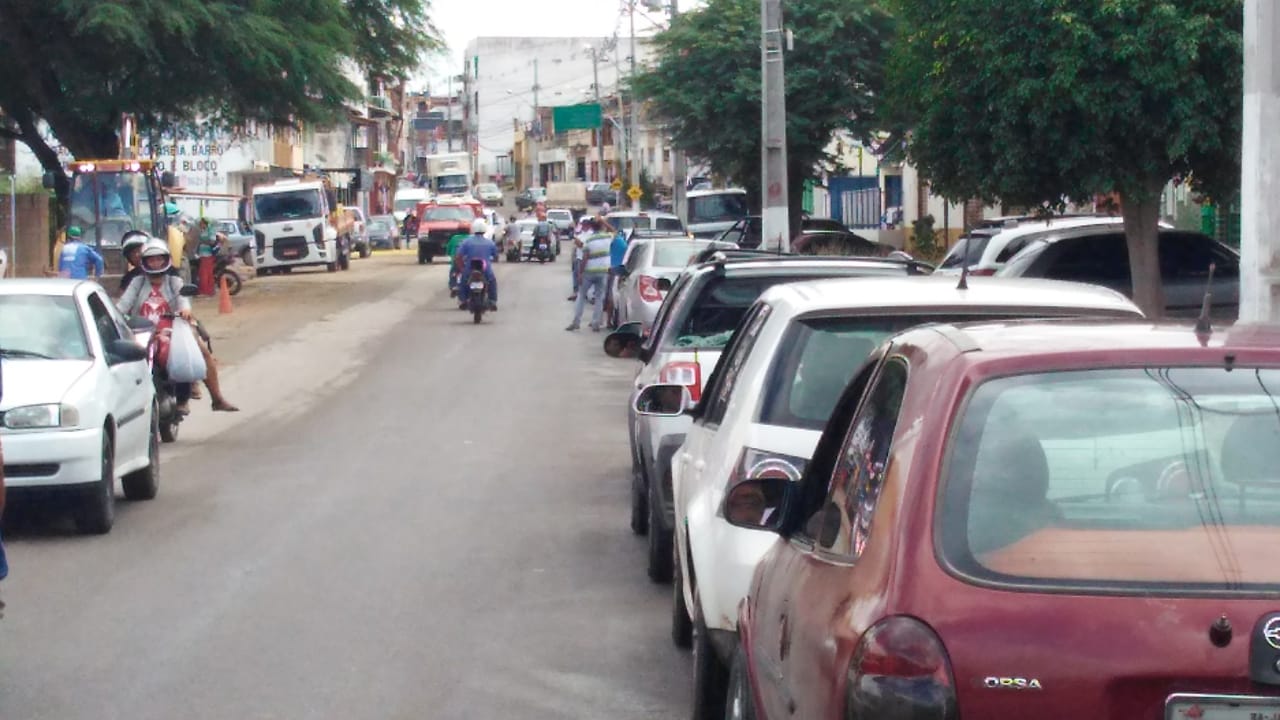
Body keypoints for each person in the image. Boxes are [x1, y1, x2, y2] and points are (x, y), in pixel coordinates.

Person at [566, 218, 613, 332]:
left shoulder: (590, 240)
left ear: (592, 227)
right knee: (599, 298)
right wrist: (603, 221)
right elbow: (613, 230)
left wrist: (580, 273)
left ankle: (576, 322)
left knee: (581, 296)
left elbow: (585, 258)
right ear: (601, 226)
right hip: (603, 271)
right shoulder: (607, 237)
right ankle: (596, 323)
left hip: (589, 271)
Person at [455, 218, 499, 310]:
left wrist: (462, 268)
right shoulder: (489, 242)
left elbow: (458, 256)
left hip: (469, 268)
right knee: (492, 282)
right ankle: (492, 301)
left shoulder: (466, 242)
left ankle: (463, 300)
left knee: (463, 282)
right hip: (485, 269)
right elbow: (496, 256)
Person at [605, 226, 629, 323]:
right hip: (618, 269)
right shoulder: (624, 243)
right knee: (613, 296)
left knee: (611, 296)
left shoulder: (615, 241)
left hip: (613, 269)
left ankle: (608, 320)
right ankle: (609, 320)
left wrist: (603, 221)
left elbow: (612, 230)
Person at [445, 229, 470, 296]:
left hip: (456, 261)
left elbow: (448, 249)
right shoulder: (471, 238)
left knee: (453, 273)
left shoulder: (454, 238)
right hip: (468, 262)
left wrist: (450, 254)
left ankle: (453, 286)